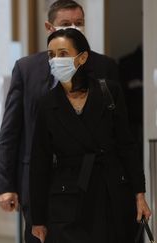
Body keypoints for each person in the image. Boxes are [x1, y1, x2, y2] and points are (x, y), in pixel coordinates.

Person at [0, 1, 119, 242]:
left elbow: (118, 132)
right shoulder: (26, 68)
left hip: (91, 182)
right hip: (38, 180)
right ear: (49, 27)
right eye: (66, 23)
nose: (74, 28)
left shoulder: (104, 66)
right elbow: (11, 130)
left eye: (79, 23)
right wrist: (5, 184)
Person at [29, 28, 151, 243]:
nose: (56, 60)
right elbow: (40, 163)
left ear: (82, 57)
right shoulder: (46, 103)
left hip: (110, 192)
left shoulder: (108, 92)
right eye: (51, 55)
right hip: (67, 197)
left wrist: (139, 195)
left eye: (63, 54)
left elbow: (127, 146)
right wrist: (37, 219)